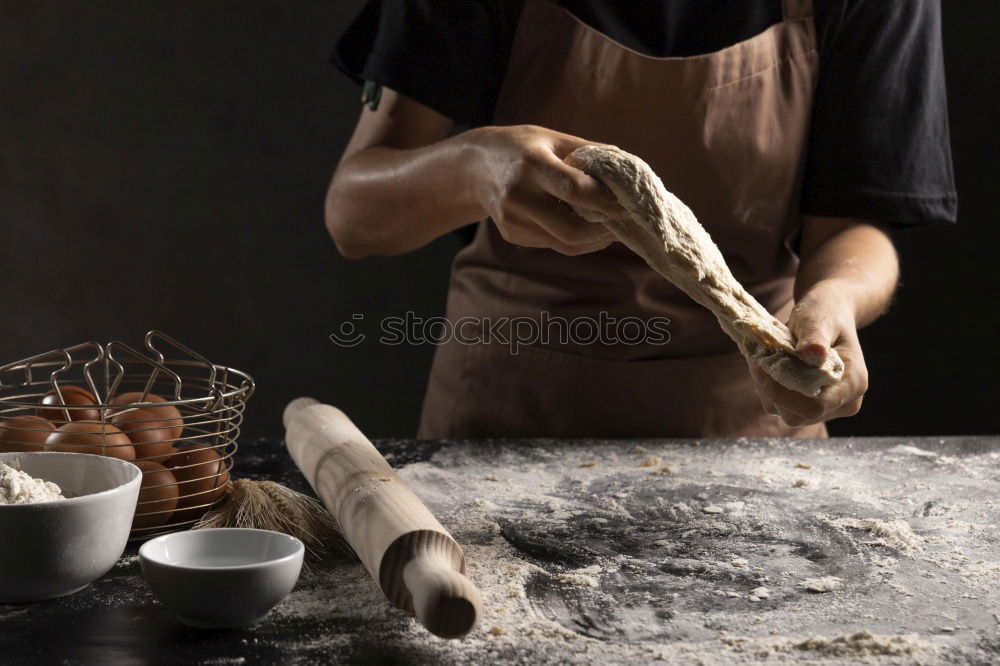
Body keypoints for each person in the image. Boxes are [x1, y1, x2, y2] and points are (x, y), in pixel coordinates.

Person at [324, 0, 956, 439]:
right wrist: (469, 168)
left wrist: (832, 300)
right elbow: (354, 216)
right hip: (505, 419)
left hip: (749, 425)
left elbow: (855, 227)